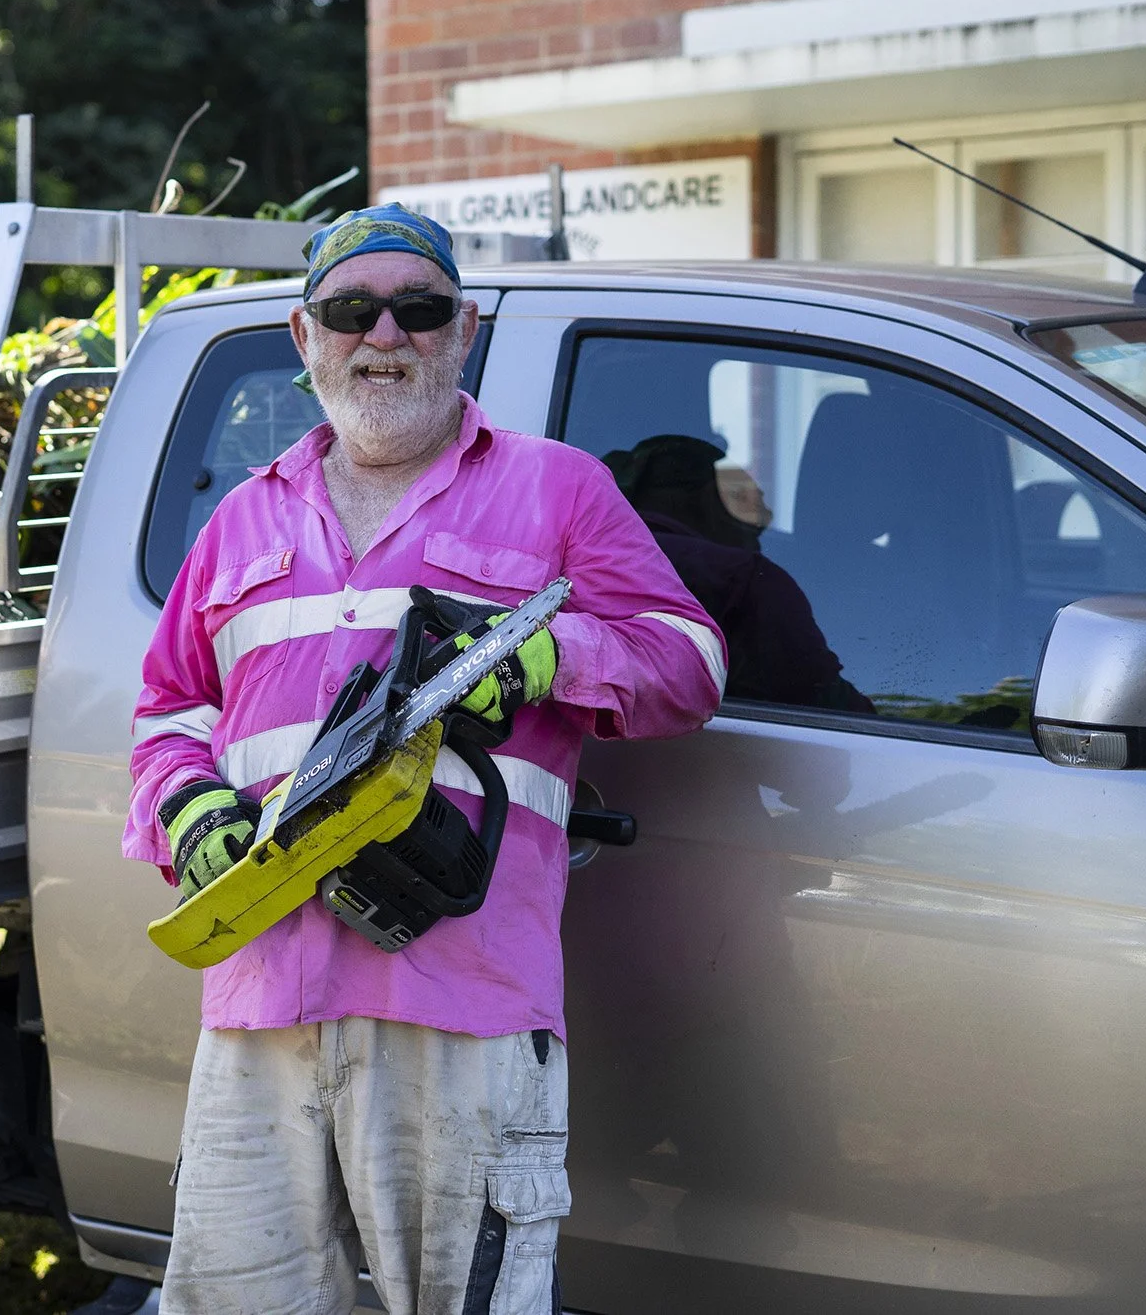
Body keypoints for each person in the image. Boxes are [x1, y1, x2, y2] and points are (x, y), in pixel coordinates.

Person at [122, 203, 724, 1315]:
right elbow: (167, 709)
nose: (384, 335)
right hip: (259, 998)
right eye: (352, 310)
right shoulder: (241, 524)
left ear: (464, 330)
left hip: (462, 1001)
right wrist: (190, 808)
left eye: (419, 309)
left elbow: (686, 661)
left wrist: (549, 656)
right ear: (306, 341)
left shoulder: (556, 490)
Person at [603, 433, 873, 714]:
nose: (763, 524)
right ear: (712, 497)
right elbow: (833, 706)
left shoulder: (577, 562)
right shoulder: (746, 581)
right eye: (752, 506)